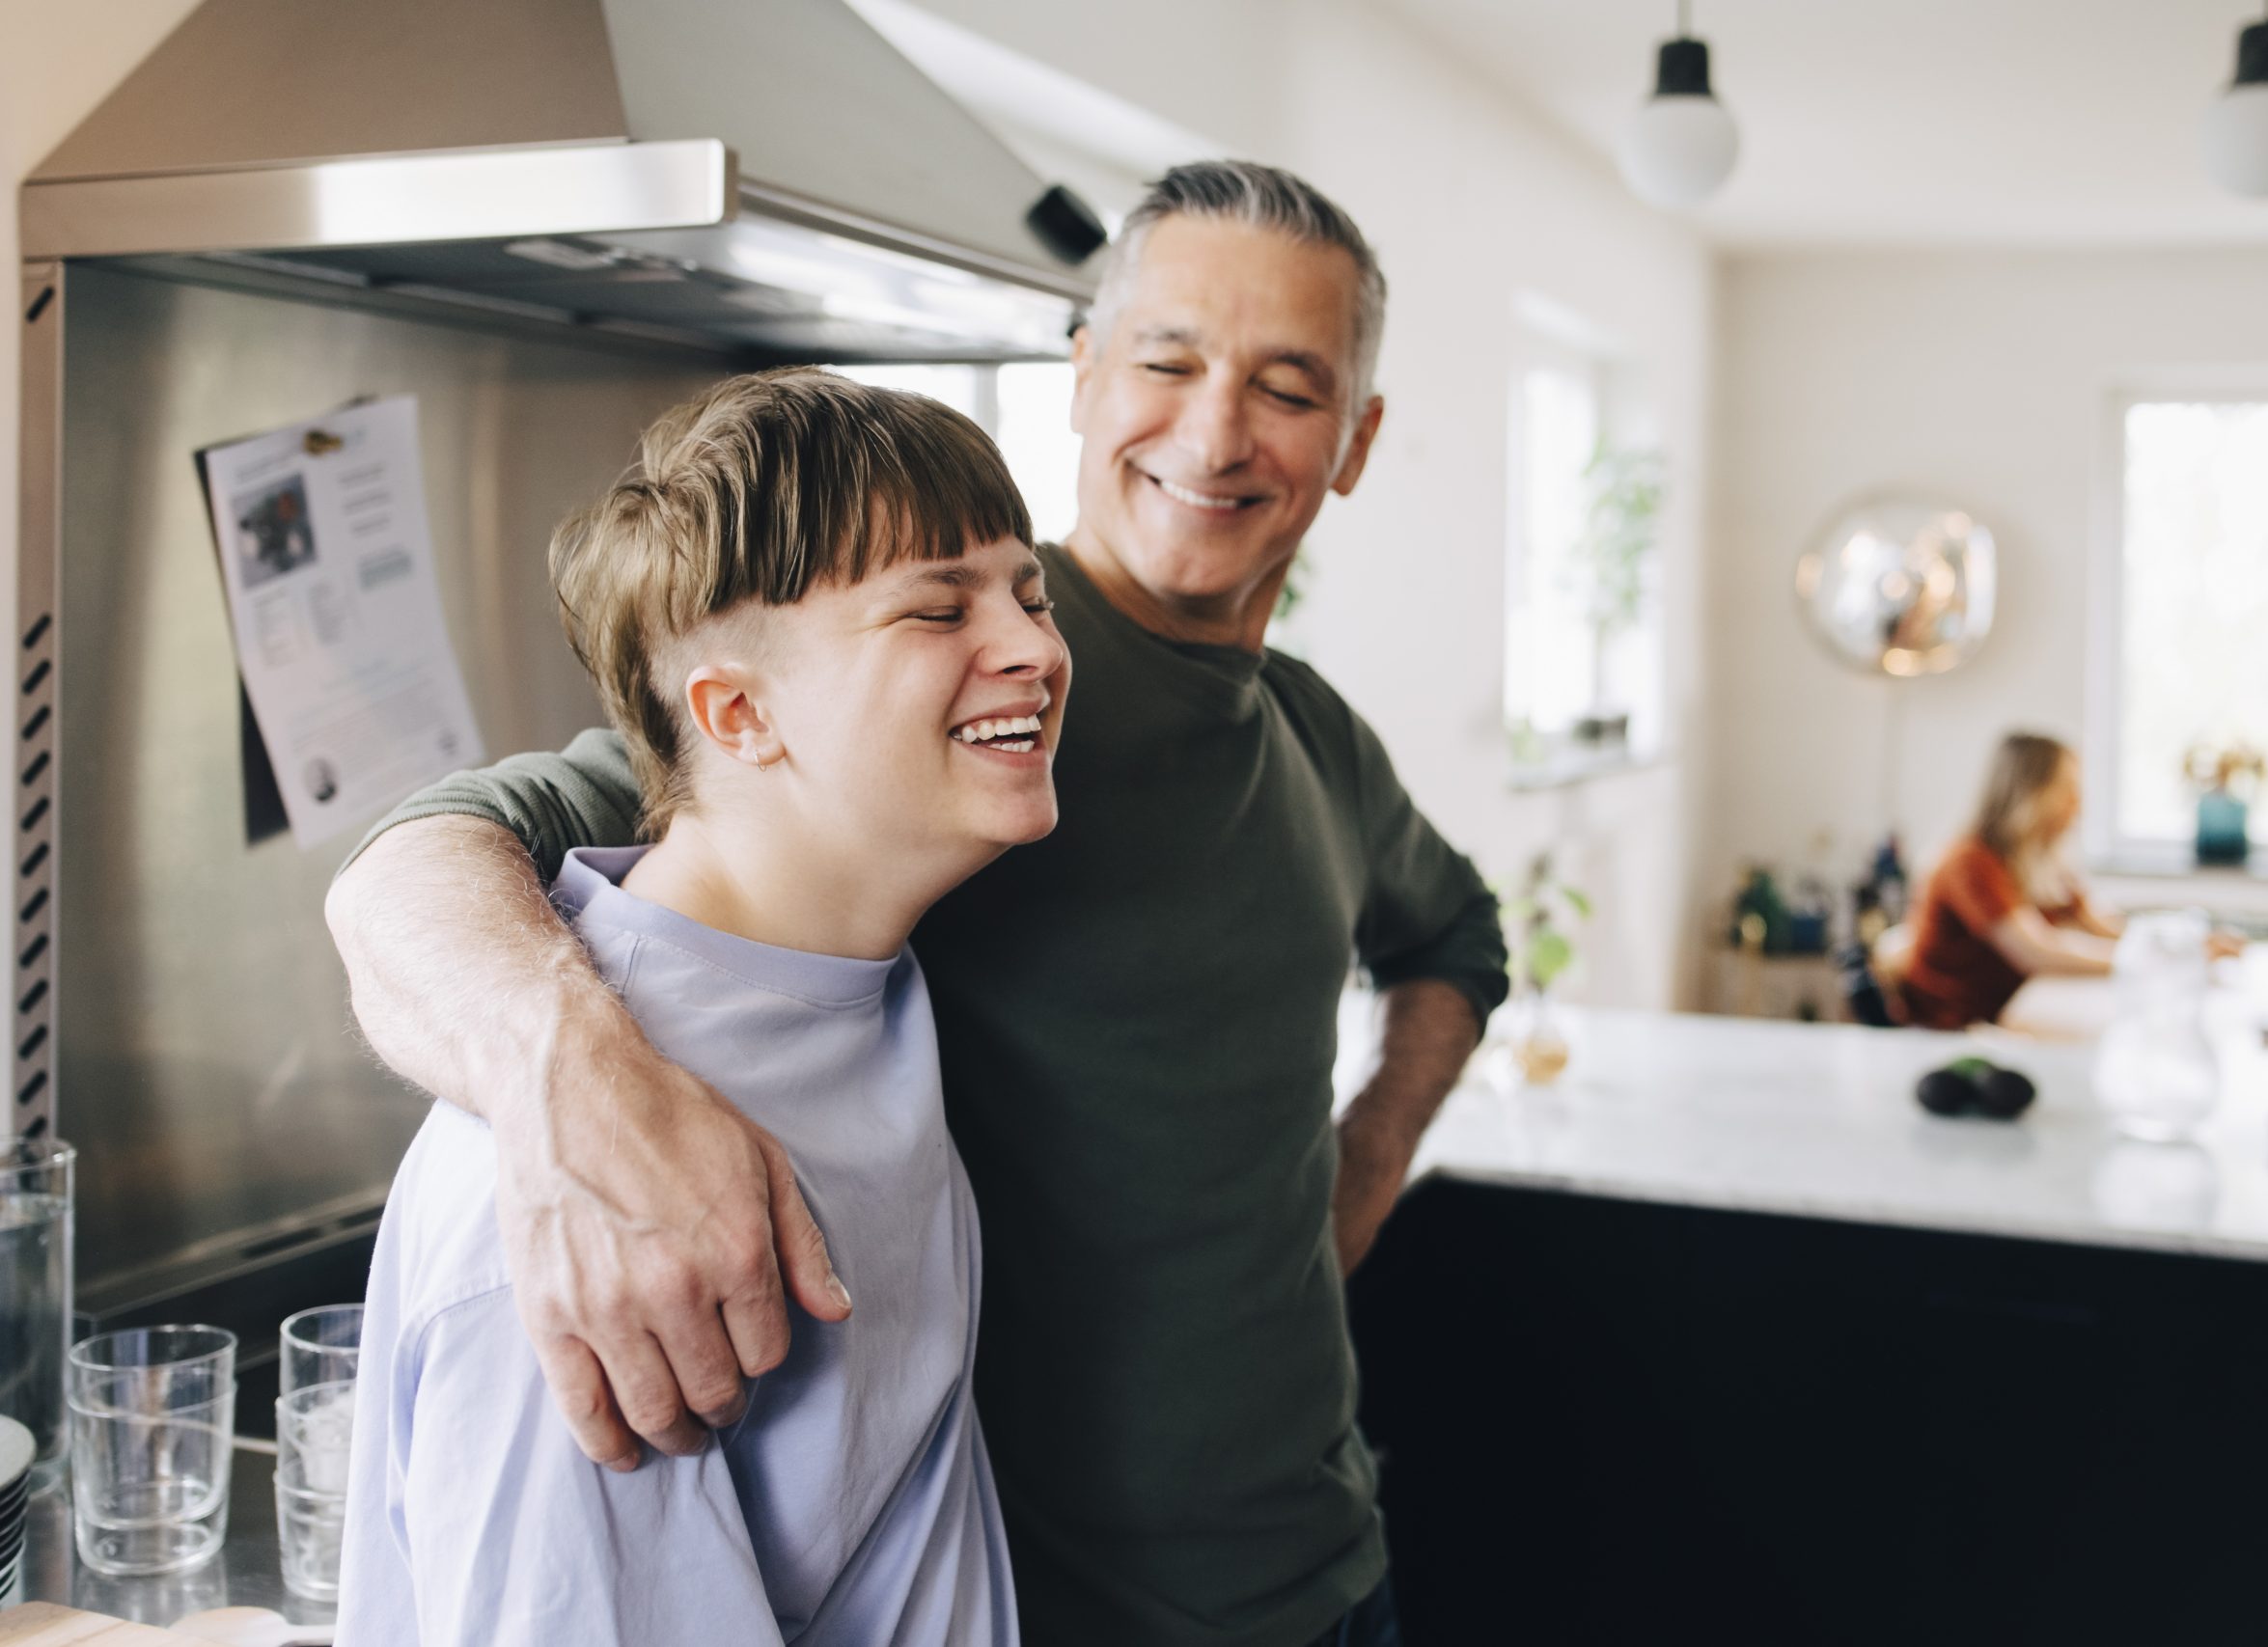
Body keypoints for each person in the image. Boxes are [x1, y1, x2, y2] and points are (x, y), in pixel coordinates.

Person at [327, 160, 1506, 1647]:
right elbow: (422, 857)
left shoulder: (1306, 734)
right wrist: (569, 1081)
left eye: (1287, 384)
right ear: (1082, 376)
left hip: (1325, 1574)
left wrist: (1362, 1162)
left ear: (1354, 440)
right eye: (1166, 359)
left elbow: (1453, 935)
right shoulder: (916, 711)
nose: (1215, 429)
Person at [335, 371, 1065, 1645]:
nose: (1037, 649)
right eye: (938, 607)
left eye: (1029, 593)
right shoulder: (583, 1213)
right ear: (737, 712)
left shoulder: (851, 982)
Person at [1898, 732, 2122, 1029]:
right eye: (2067, 791)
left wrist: (2176, 946)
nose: (2078, 808)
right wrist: (2139, 963)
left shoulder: (2039, 861)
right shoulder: (1969, 861)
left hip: (2000, 1016)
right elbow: (2037, 952)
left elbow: (2096, 924)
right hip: (1949, 1029)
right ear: (2031, 792)